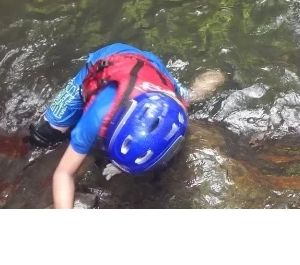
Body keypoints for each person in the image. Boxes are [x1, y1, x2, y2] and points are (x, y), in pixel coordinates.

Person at [26, 42, 223, 209]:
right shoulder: (95, 119)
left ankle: (217, 75)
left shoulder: (175, 106)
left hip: (152, 68)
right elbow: (63, 173)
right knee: (46, 135)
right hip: (109, 60)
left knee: (191, 97)